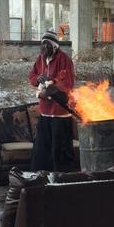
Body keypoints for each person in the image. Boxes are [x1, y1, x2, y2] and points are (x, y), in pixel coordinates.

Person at [28, 30, 76, 172]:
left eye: (47, 45)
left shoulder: (64, 59)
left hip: (60, 114)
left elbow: (67, 83)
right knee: (41, 150)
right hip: (45, 113)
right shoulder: (41, 58)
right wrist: (38, 79)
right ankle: (39, 178)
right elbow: (32, 75)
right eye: (42, 45)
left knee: (59, 152)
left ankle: (61, 179)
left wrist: (48, 89)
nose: (44, 49)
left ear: (55, 46)